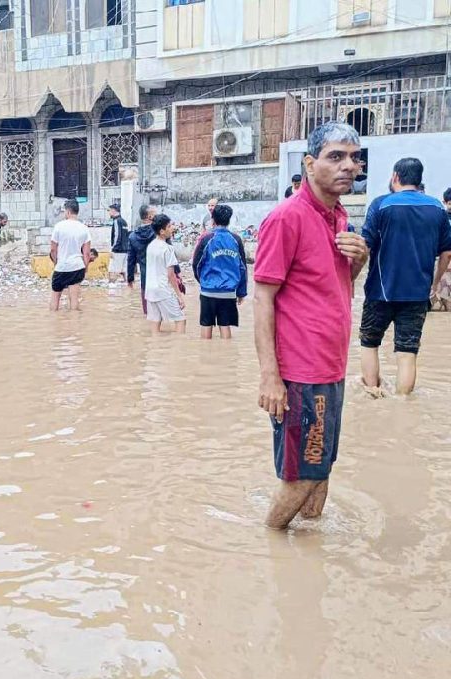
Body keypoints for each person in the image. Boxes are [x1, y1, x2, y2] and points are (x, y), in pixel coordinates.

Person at [254, 121, 369, 531]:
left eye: (354, 158)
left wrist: (357, 262)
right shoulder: (287, 218)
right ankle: (269, 543)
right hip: (302, 374)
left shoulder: (339, 218)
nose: (349, 166)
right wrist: (270, 377)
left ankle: (308, 550)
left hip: (331, 366)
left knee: (322, 465)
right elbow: (263, 296)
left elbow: (331, 289)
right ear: (309, 163)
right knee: (303, 472)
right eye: (335, 156)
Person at [359, 157, 451, 395]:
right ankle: (402, 405)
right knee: (407, 353)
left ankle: (372, 395)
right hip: (417, 294)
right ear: (420, 180)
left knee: (370, 344)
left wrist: (349, 279)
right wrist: (433, 282)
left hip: (380, 291)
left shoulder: (381, 205)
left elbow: (364, 247)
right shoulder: (437, 208)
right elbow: (447, 252)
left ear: (395, 177)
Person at [192, 203, 247, 340]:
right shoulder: (236, 239)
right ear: (229, 220)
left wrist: (203, 282)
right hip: (228, 292)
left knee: (206, 325)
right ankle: (227, 359)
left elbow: (196, 264)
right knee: (225, 325)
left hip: (208, 290)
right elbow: (242, 268)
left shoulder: (206, 239)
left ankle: (204, 357)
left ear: (213, 219)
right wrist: (241, 292)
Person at [145, 213, 186, 334]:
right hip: (163, 289)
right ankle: (178, 347)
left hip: (150, 290)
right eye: (169, 226)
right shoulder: (167, 248)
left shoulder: (150, 246)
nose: (172, 228)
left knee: (155, 322)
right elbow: (171, 275)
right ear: (162, 231)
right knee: (180, 320)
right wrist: (179, 295)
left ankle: (155, 348)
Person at [50, 199, 91, 312]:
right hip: (77, 266)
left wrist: (56, 263)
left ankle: (54, 322)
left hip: (61, 266)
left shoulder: (58, 226)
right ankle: (75, 326)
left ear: (68, 212)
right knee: (74, 300)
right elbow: (86, 253)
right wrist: (85, 268)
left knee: (55, 299)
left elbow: (53, 249)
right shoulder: (84, 228)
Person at [127, 204, 158, 314]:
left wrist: (130, 278)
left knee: (147, 313)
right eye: (156, 214)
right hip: (161, 277)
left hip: (145, 277)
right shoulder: (160, 233)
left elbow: (130, 260)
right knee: (161, 312)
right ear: (150, 217)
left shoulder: (133, 236)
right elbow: (170, 254)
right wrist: (177, 274)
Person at [108, 203, 129, 284]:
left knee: (112, 270)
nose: (109, 213)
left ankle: (111, 287)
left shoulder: (116, 221)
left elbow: (117, 236)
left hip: (118, 250)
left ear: (113, 210)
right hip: (125, 250)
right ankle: (128, 286)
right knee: (124, 269)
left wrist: (113, 249)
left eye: (109, 210)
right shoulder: (124, 221)